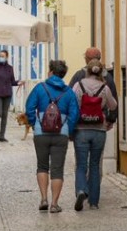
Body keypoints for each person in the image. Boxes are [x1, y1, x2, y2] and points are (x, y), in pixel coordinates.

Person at [25, 60, 80, 213]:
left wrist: (35, 124)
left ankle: (43, 199)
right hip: (60, 135)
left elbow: (29, 108)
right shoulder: (69, 92)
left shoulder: (39, 88)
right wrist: (67, 128)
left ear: (51, 71)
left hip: (40, 134)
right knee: (57, 169)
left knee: (42, 166)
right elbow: (75, 114)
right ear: (63, 74)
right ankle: (54, 204)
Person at [72, 59, 117, 212]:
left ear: (87, 71)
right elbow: (113, 105)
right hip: (99, 129)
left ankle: (81, 190)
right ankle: (94, 202)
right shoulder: (104, 87)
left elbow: (72, 103)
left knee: (81, 165)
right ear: (101, 71)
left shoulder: (79, 85)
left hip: (81, 129)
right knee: (95, 166)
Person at [68, 47, 118, 122]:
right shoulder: (108, 77)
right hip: (100, 121)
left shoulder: (78, 77)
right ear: (99, 59)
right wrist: (111, 119)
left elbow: (70, 98)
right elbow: (113, 103)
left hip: (81, 121)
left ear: (87, 60)